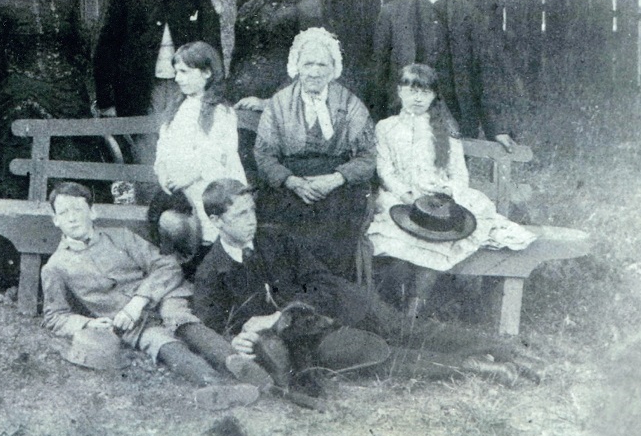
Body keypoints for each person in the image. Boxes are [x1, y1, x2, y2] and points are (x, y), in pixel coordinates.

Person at [192, 179, 541, 393]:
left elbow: (321, 281)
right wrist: (237, 337)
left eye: (252, 211)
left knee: (403, 327)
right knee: (380, 354)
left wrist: (279, 314)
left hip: (337, 305)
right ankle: (481, 368)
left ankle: (504, 350)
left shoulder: (275, 239)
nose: (251, 221)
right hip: (310, 339)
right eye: (240, 216)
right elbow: (215, 327)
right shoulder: (212, 273)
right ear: (216, 220)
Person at [40, 182, 273, 409]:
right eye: (64, 213)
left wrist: (140, 299)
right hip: (131, 324)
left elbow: (166, 265)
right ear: (55, 220)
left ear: (92, 212)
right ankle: (217, 386)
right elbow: (55, 316)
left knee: (179, 319)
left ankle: (237, 363)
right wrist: (88, 323)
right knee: (160, 342)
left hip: (163, 296)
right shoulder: (55, 267)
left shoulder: (121, 237)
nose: (72, 218)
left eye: (78, 210)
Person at [0, 0, 105, 293]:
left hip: (68, 101)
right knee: (16, 180)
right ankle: (13, 271)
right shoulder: (3, 5)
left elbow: (80, 52)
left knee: (71, 175)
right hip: (22, 104)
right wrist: (26, 85)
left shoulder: (67, 1)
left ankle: (74, 268)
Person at [367, 63, 536, 313]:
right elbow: (385, 171)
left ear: (434, 96)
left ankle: (415, 308)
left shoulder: (444, 130)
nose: (417, 98)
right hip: (401, 199)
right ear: (399, 92)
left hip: (439, 201)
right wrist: (407, 195)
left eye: (424, 92)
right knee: (400, 235)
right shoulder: (386, 128)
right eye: (411, 90)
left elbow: (459, 174)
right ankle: (395, 308)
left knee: (441, 234)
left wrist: (447, 192)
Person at [92, 0, 221, 169]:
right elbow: (104, 48)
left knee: (187, 154)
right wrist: (106, 101)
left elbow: (211, 43)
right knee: (148, 161)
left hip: (186, 89)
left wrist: (213, 92)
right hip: (139, 93)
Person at [370, 0, 516, 152]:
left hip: (456, 116)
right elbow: (378, 74)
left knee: (452, 180)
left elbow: (486, 72)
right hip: (403, 116)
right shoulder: (392, 13)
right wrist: (374, 124)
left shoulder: (469, 14)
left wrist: (497, 127)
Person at [253, 27, 375, 280]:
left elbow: (368, 157)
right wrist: (293, 182)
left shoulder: (350, 104)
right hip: (289, 185)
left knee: (334, 228)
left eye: (323, 64)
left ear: (334, 68)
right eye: (308, 63)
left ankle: (330, 303)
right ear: (296, 65)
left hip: (336, 186)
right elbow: (264, 156)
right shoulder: (279, 103)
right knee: (281, 230)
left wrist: (333, 180)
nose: (315, 72)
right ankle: (290, 301)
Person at [226, 0, 324, 180]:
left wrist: (268, 102)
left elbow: (312, 68)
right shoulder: (248, 9)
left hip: (285, 108)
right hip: (242, 107)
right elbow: (238, 61)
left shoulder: (305, 9)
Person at [149, 41, 247, 279]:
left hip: (210, 182)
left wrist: (188, 177)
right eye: (176, 73)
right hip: (179, 187)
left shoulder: (220, 112)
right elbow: (164, 146)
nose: (178, 79)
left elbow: (218, 154)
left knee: (209, 216)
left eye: (184, 72)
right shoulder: (177, 108)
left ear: (206, 73)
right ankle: (181, 269)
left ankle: (206, 270)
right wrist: (162, 170)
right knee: (169, 219)